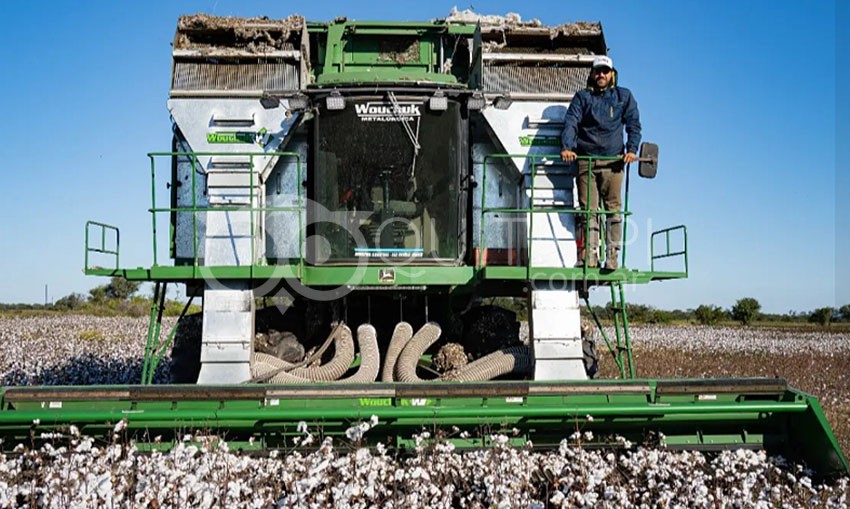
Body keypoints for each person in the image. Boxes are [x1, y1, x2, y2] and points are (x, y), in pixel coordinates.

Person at [560, 55, 641, 269]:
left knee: (613, 210)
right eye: (597, 71)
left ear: (612, 74)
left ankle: (612, 255)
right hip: (586, 162)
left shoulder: (623, 96)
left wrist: (632, 150)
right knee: (589, 212)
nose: (601, 75)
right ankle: (591, 255)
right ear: (592, 74)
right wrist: (567, 147)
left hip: (613, 162)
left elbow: (634, 125)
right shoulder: (582, 97)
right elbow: (571, 122)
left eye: (605, 71)